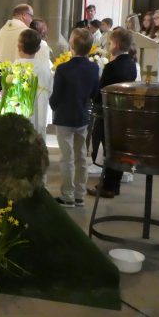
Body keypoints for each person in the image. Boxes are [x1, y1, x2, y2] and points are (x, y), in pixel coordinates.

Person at [49, 28, 99, 208]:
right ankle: (80, 195)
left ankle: (67, 196)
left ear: (71, 45)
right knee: (81, 157)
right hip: (82, 117)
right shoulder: (94, 68)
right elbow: (95, 93)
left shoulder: (63, 68)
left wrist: (53, 106)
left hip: (64, 117)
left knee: (67, 158)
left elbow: (56, 96)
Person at [87, 27, 138, 198]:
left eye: (109, 42)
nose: (108, 45)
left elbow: (102, 90)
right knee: (117, 150)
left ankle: (108, 186)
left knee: (108, 150)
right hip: (123, 113)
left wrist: (94, 98)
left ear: (116, 44)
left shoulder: (111, 67)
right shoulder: (132, 65)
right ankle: (113, 184)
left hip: (108, 113)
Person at [15, 29, 52, 137]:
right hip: (39, 115)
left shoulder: (13, 68)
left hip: (18, 118)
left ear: (18, 47)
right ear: (39, 49)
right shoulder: (44, 69)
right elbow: (48, 92)